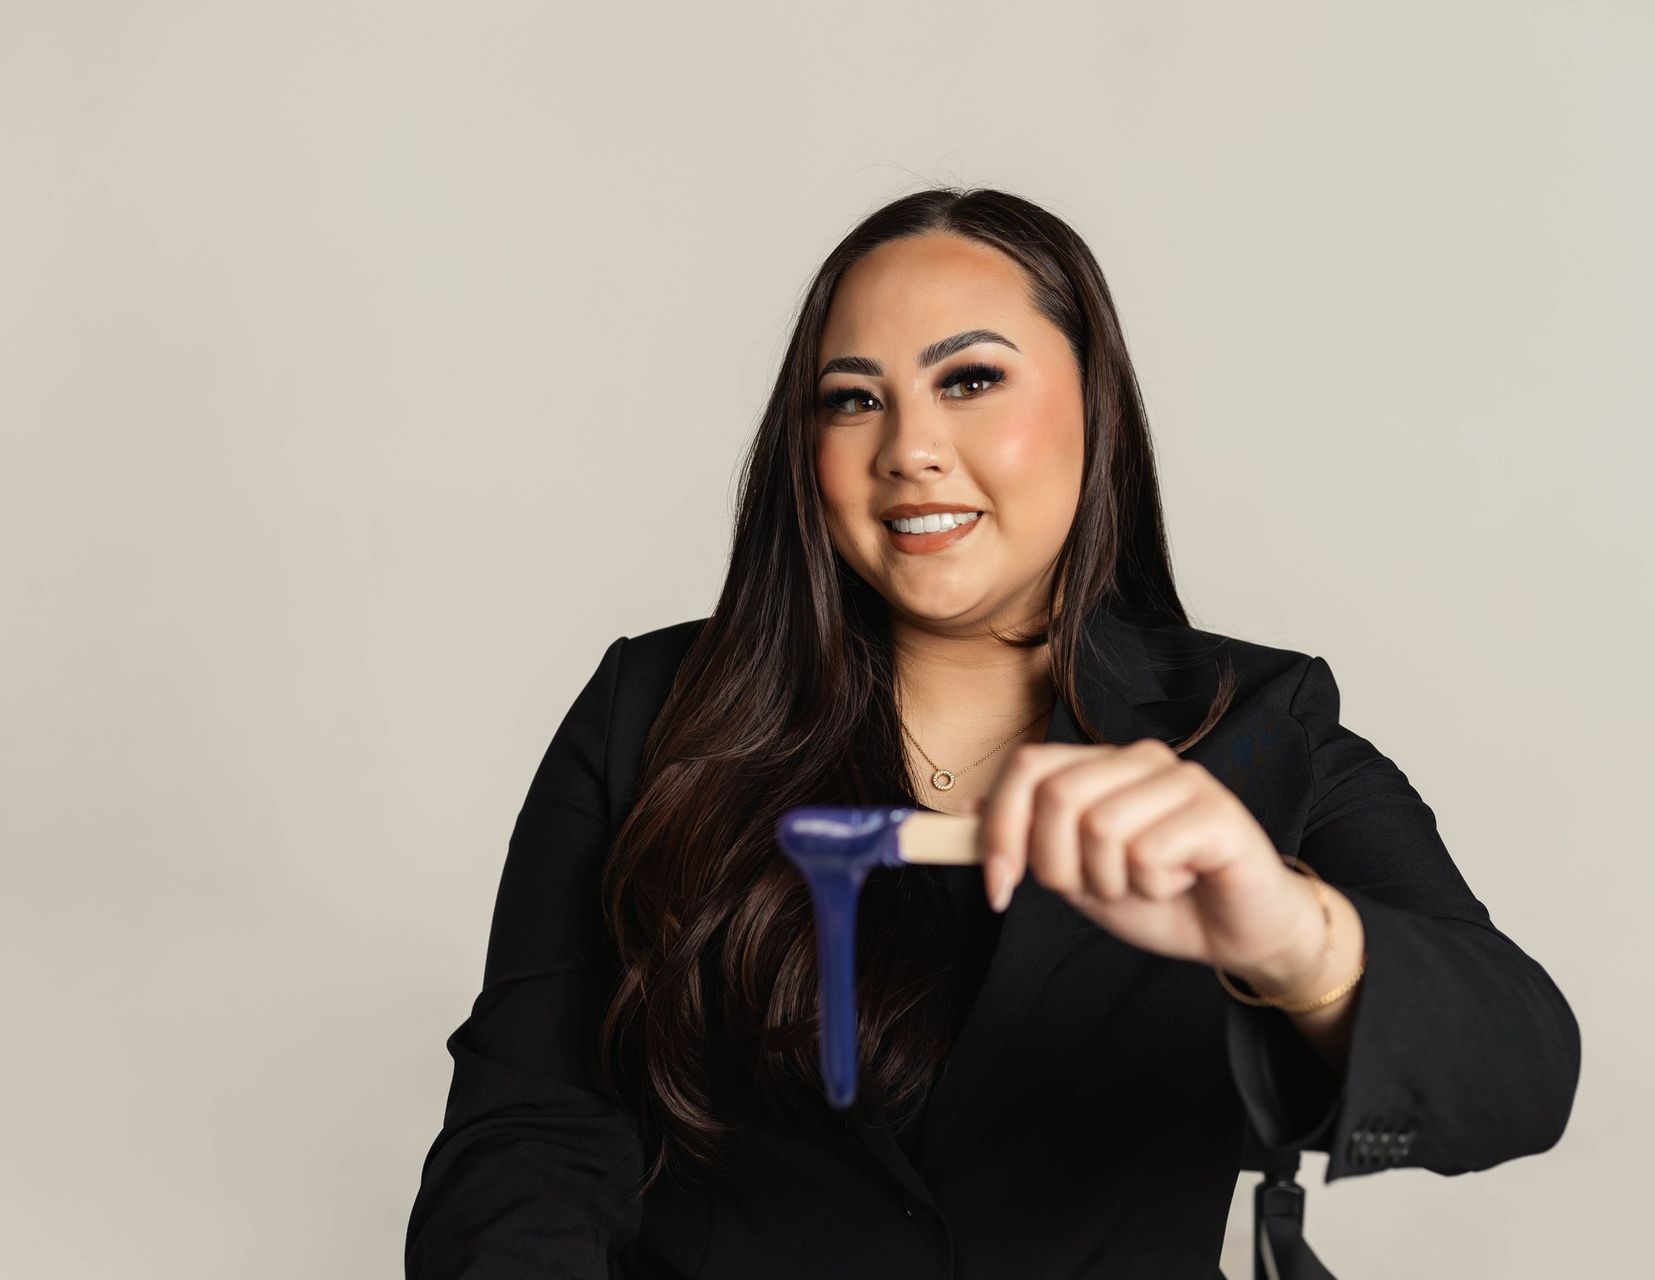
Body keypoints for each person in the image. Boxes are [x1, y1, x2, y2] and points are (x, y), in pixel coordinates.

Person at [404, 188, 1581, 1279]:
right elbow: (529, 1135)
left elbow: (1522, 1075)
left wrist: (1290, 931)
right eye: (853, 397)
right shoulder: (651, 709)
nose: (906, 445)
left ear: (1092, 399)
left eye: (969, 380)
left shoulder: (1257, 730)